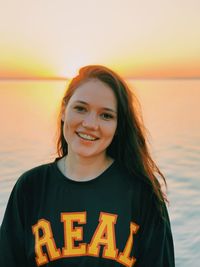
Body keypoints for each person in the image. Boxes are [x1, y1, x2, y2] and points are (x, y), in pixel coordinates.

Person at [0, 65, 175, 266]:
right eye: (81, 108)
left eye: (106, 115)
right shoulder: (30, 187)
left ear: (118, 126)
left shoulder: (142, 191)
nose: (91, 123)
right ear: (64, 110)